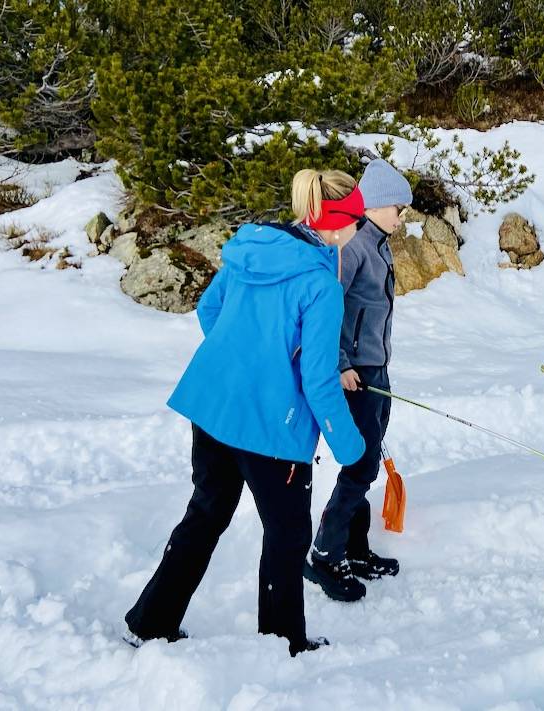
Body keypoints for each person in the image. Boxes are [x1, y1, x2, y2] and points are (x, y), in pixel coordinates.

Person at [122, 169, 367, 655]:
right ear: (339, 223)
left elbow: (209, 311)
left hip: (212, 407)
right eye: (357, 217)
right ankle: (282, 644)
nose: (359, 226)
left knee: (206, 514)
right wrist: (351, 448)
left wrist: (245, 361)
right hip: (269, 429)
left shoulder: (252, 248)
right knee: (288, 532)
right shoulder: (321, 284)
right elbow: (319, 381)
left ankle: (151, 621)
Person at [305, 159, 412, 603]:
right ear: (376, 205)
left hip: (376, 368)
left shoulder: (379, 244)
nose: (402, 217)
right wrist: (342, 362)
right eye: (398, 209)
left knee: (364, 463)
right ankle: (324, 554)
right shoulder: (351, 248)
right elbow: (329, 312)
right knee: (361, 465)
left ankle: (356, 546)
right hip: (355, 374)